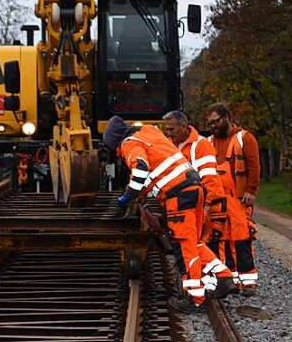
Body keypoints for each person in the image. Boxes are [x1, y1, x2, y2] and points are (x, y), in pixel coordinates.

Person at [103, 115, 217, 313]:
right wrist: (139, 195)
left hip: (178, 196)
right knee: (195, 241)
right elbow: (154, 172)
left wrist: (125, 198)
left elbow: (141, 169)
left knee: (183, 247)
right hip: (194, 189)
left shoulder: (129, 144)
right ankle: (222, 277)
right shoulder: (150, 132)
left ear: (115, 141)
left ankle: (193, 299)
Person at [161, 110, 234, 299]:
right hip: (186, 204)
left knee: (193, 245)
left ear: (184, 127)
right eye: (165, 129)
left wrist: (206, 208)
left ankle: (206, 286)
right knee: (191, 245)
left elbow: (210, 180)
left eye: (171, 129)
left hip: (202, 205)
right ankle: (214, 280)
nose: (168, 133)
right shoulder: (170, 144)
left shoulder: (200, 146)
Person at [205, 103, 259, 294]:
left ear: (227, 117)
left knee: (242, 238)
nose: (213, 126)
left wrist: (251, 191)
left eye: (216, 121)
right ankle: (231, 279)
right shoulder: (208, 142)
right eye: (210, 124)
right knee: (221, 239)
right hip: (217, 200)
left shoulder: (244, 138)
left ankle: (248, 280)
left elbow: (254, 166)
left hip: (238, 199)